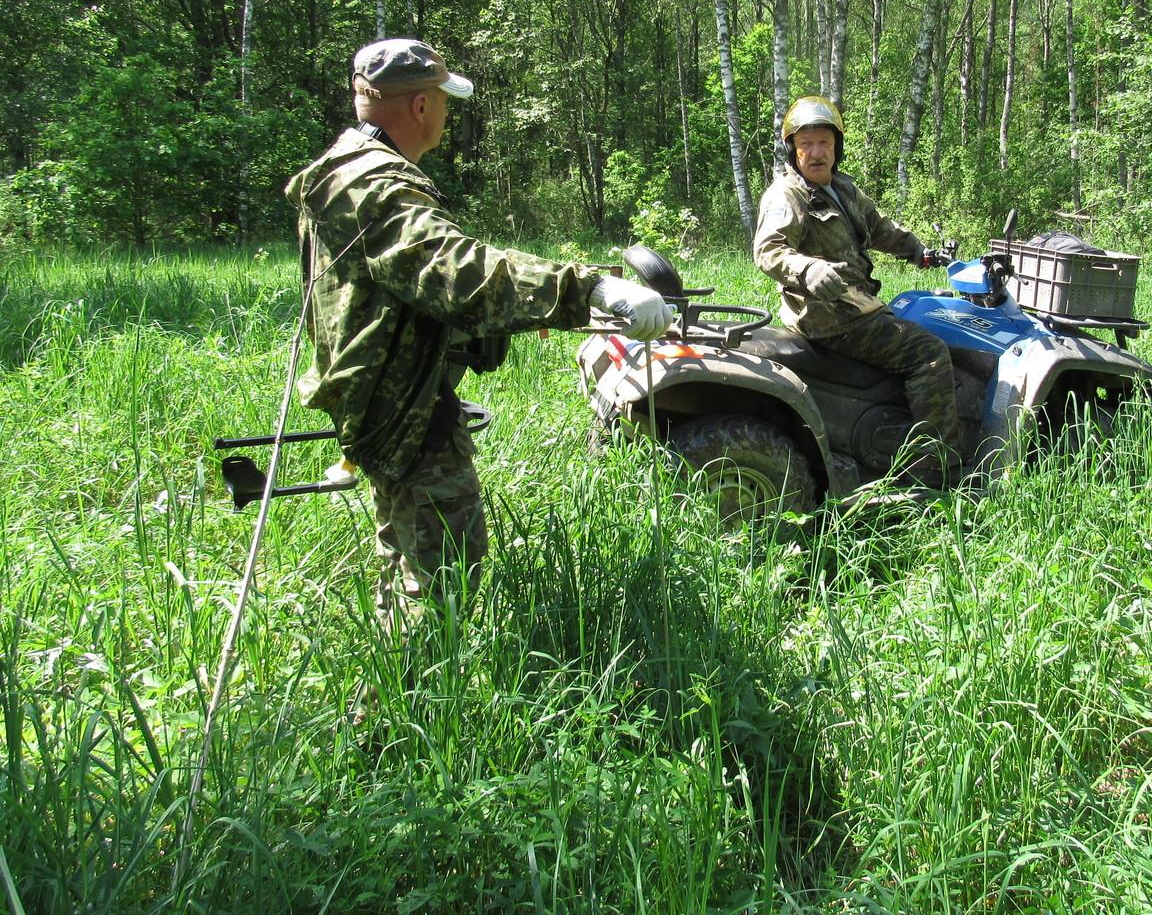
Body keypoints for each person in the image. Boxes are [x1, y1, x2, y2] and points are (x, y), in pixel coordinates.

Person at [285, 37, 672, 638]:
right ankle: (401, 713)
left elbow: (395, 289)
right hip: (404, 407)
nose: (446, 112)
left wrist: (517, 316)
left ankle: (397, 681)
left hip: (384, 388)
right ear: (419, 107)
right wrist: (590, 289)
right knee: (441, 570)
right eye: (443, 100)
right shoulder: (382, 189)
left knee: (407, 547)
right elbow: (455, 267)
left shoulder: (345, 167)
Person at [753, 95, 960, 481]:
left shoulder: (842, 189)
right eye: (806, 144)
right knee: (930, 353)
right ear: (792, 149)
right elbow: (768, 250)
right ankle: (938, 469)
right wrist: (807, 269)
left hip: (855, 305)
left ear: (837, 147)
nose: (816, 153)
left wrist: (920, 252)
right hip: (832, 316)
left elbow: (879, 226)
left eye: (825, 143)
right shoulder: (787, 195)